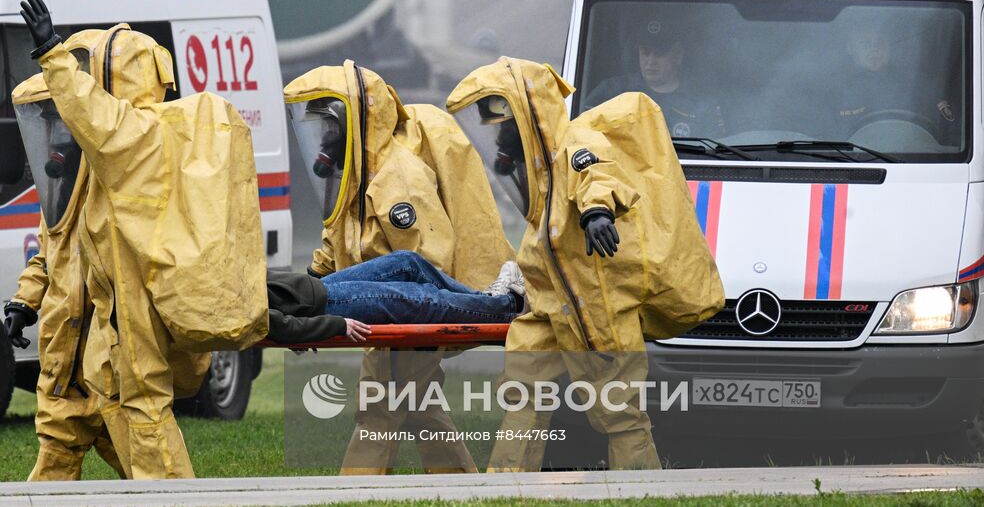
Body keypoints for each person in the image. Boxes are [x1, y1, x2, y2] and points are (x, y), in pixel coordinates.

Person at [20, 0, 268, 480]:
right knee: (105, 401)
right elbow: (60, 243)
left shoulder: (139, 133)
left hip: (140, 297)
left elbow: (98, 117)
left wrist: (52, 52)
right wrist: (26, 298)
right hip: (126, 299)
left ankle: (171, 502)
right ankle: (145, 493)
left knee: (141, 401)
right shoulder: (128, 146)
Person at [448, 57, 724, 472]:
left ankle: (639, 486)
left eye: (502, 125)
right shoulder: (539, 171)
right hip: (550, 302)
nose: (498, 136)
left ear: (529, 115)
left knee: (616, 405)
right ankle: (505, 485)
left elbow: (598, 174)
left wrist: (597, 212)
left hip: (597, 303)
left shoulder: (576, 143)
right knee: (524, 391)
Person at [285, 60, 519, 474]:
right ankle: (461, 489)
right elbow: (333, 247)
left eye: (328, 126)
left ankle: (353, 501)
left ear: (350, 120)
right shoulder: (354, 178)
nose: (322, 138)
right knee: (418, 407)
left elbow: (426, 266)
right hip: (390, 316)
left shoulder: (396, 178)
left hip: (415, 315)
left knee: (378, 408)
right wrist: (306, 301)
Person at [2, 29, 127, 482]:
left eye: (62, 125)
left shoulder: (118, 187)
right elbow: (47, 257)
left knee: (145, 458)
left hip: (108, 357)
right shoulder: (59, 197)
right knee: (56, 446)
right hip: (63, 355)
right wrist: (23, 302)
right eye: (48, 126)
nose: (54, 139)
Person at [266, 251, 525, 345]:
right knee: (417, 300)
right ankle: (508, 307)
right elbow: (275, 324)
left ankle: (490, 301)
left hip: (313, 289)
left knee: (406, 262)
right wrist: (335, 325)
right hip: (323, 306)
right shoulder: (227, 302)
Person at [587, 19, 724, 138]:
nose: (651, 61)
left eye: (659, 54)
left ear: (678, 56)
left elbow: (714, 149)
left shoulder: (701, 102)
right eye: (645, 52)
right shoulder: (612, 91)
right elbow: (581, 129)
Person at [829, 24, 958, 143]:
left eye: (880, 42)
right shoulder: (836, 91)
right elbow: (825, 141)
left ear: (890, 45)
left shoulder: (915, 83)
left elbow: (947, 129)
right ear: (850, 48)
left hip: (915, 159)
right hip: (853, 161)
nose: (875, 49)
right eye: (865, 43)